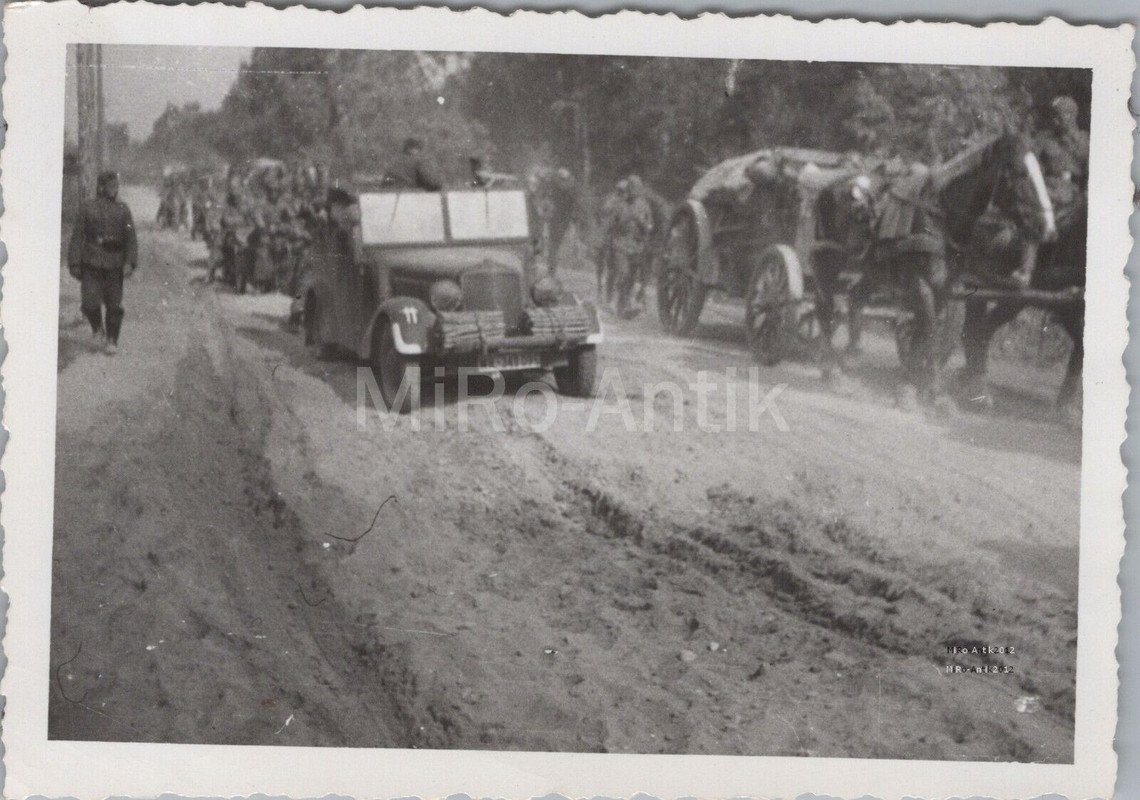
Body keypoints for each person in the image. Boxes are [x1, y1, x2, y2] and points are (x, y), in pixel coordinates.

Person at [67, 171, 138, 355]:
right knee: (89, 303)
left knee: (114, 305)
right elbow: (77, 236)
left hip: (114, 264)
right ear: (100, 187)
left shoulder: (123, 209)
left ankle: (112, 339)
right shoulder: (87, 208)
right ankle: (97, 329)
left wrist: (130, 261)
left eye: (116, 186)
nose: (115, 190)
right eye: (111, 186)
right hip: (91, 262)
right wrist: (74, 262)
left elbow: (130, 237)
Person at [608, 179, 654, 317]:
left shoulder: (645, 206)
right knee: (624, 274)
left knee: (631, 278)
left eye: (637, 188)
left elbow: (650, 227)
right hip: (620, 244)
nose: (634, 191)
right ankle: (620, 304)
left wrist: (640, 221)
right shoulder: (620, 204)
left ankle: (624, 306)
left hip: (637, 246)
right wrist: (625, 219)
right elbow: (611, 225)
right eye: (632, 188)